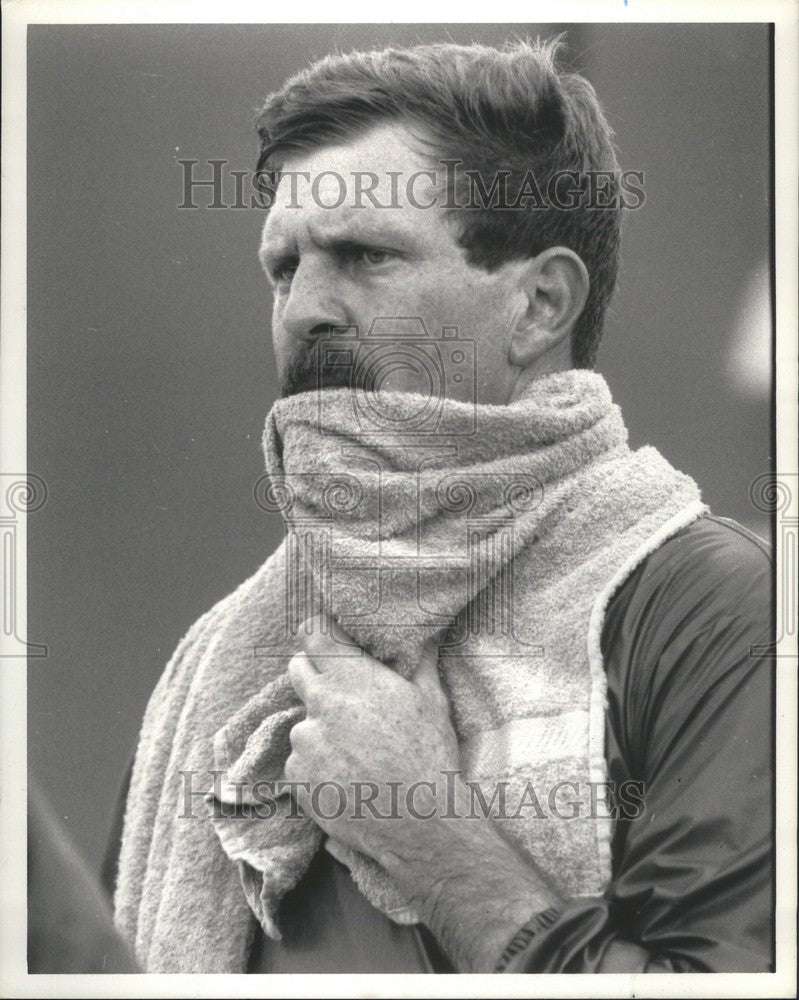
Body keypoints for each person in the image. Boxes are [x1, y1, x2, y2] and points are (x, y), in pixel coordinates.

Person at [106, 38, 773, 974]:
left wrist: (428, 828)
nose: (303, 310)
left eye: (367, 255)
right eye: (284, 268)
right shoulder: (214, 663)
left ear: (540, 305)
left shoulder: (712, 610)